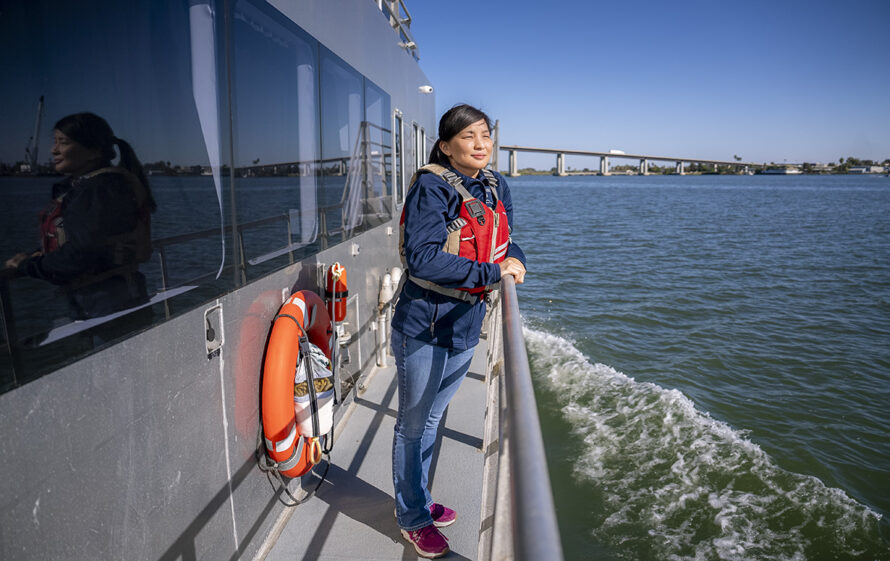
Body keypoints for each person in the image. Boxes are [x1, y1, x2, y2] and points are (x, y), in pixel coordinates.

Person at [390, 104, 526, 558]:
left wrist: (517, 261)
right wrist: (492, 273)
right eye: (468, 137)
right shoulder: (432, 186)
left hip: (467, 323)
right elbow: (423, 258)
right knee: (413, 425)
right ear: (446, 146)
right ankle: (412, 517)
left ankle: (422, 500)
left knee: (432, 418)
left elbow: (507, 238)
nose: (481, 144)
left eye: (485, 135)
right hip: (424, 323)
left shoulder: (494, 184)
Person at [4, 112, 156, 337]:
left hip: (105, 305)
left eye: (63, 143)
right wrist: (39, 257)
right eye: (54, 142)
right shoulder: (108, 184)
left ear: (94, 150)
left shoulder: (97, 190)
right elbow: (92, 240)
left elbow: (82, 254)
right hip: (121, 295)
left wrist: (26, 266)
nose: (53, 150)